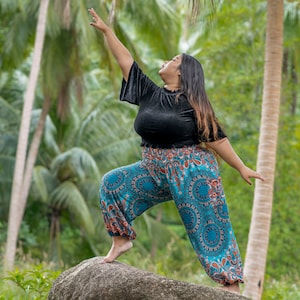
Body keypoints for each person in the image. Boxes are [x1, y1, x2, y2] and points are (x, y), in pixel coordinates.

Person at [88, 7, 264, 294]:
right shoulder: (150, 92)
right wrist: (108, 31)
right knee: (112, 183)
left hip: (192, 171)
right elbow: (126, 61)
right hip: (153, 167)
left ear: (182, 72)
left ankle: (230, 284)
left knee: (208, 225)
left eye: (173, 59)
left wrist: (241, 167)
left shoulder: (194, 104)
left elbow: (216, 139)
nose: (166, 60)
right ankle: (121, 240)